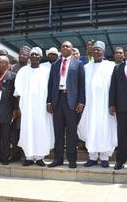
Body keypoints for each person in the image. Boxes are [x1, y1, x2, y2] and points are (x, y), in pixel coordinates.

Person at [78, 41, 117, 168]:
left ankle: (105, 157)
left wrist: (113, 103)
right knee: (91, 128)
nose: (96, 51)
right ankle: (93, 157)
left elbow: (115, 87)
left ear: (103, 51)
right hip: (91, 105)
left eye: (98, 49)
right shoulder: (86, 67)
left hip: (106, 105)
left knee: (105, 129)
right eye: (94, 49)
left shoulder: (111, 65)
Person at [47, 41, 85, 169]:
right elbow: (50, 84)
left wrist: (81, 101)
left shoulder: (78, 64)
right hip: (57, 100)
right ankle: (58, 159)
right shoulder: (55, 65)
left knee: (71, 132)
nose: (65, 48)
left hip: (72, 101)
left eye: (67, 46)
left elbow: (81, 85)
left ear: (72, 48)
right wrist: (49, 101)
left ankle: (72, 160)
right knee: (58, 132)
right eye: (63, 46)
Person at [15, 47, 54, 166]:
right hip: (27, 106)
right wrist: (19, 107)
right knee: (28, 130)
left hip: (42, 107)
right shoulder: (23, 71)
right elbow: (18, 91)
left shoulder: (46, 71)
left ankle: (40, 157)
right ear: (29, 57)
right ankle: (29, 157)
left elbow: (51, 89)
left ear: (40, 57)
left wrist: (49, 104)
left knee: (41, 130)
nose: (34, 57)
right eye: (32, 54)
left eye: (37, 55)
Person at [10, 45, 31, 162]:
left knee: (25, 129)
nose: (22, 56)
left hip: (26, 104)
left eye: (25, 54)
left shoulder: (30, 68)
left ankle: (25, 153)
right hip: (13, 103)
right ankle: (15, 154)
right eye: (21, 53)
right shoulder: (13, 68)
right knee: (15, 130)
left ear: (28, 56)